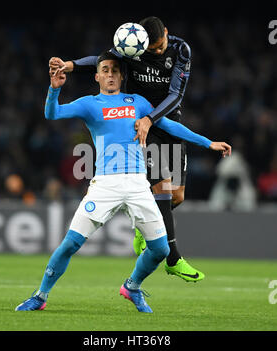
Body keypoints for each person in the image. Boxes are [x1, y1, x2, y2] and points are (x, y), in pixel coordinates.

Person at [15, 52, 230, 313]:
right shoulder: (89, 104)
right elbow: (53, 114)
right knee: (70, 243)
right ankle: (40, 296)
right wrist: (54, 89)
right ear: (96, 76)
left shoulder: (137, 102)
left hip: (138, 184)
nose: (110, 74)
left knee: (160, 250)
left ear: (121, 76)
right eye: (104, 70)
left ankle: (132, 286)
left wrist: (208, 143)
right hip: (106, 184)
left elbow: (170, 126)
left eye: (115, 70)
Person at [49, 16, 206, 282]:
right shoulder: (133, 46)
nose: (155, 52)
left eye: (158, 47)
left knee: (176, 196)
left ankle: (142, 223)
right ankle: (173, 259)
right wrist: (71, 65)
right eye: (151, 49)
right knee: (163, 189)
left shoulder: (181, 50)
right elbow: (100, 61)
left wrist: (152, 118)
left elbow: (176, 95)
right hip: (139, 121)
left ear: (167, 33)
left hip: (164, 119)